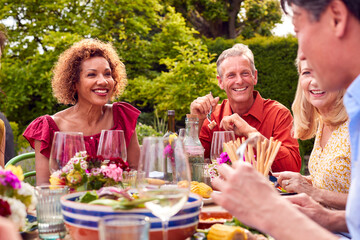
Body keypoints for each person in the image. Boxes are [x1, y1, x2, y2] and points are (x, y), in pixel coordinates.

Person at [211, 0, 360, 239]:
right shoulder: (341, 113)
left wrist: (270, 211)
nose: (301, 53)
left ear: (337, 18)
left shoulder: (350, 114)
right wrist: (319, 209)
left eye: (300, 31)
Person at [23, 39, 141, 186]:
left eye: (107, 74)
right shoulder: (48, 127)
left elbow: (137, 173)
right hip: (69, 207)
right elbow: (45, 187)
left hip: (115, 205)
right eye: (92, 75)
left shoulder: (122, 117)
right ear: (74, 83)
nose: (103, 81)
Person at [190, 43, 301, 172]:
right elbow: (188, 167)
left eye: (245, 73)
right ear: (220, 82)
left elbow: (293, 168)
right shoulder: (213, 117)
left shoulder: (278, 114)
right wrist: (194, 123)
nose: (239, 81)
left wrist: (250, 132)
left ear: (255, 77)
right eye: (231, 75)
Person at [274, 57, 350, 210]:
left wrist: (312, 192)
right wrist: (303, 181)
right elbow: (336, 182)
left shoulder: (355, 123)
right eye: (307, 72)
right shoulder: (324, 120)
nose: (315, 82)